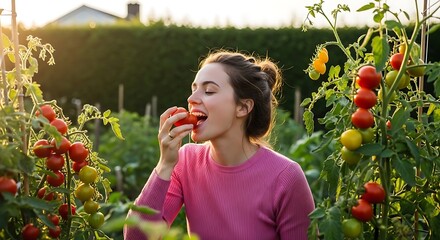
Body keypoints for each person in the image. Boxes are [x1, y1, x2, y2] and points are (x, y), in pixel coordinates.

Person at [123, 49, 315, 240]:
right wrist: (165, 164)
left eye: (209, 91)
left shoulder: (286, 177)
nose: (192, 99)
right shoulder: (185, 162)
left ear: (243, 107)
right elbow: (136, 237)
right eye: (193, 89)